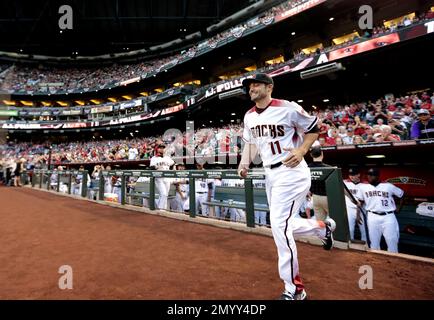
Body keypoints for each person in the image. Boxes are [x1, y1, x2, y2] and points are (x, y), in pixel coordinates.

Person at [238, 73, 335, 301]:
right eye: (249, 86)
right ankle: (321, 228)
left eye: (256, 84)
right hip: (270, 174)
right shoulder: (249, 116)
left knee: (279, 227)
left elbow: (313, 129)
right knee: (281, 224)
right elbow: (251, 143)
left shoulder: (288, 108)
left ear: (269, 87)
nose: (251, 88)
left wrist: (302, 150)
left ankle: (295, 289)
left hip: (291, 172)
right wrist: (243, 163)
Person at [356, 168, 404, 253]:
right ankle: (376, 263)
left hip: (388, 216)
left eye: (372, 175)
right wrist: (357, 214)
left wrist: (398, 208)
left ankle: (393, 262)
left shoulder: (388, 186)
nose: (369, 177)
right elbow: (360, 202)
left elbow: (401, 195)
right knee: (374, 243)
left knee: (392, 241)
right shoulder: (363, 187)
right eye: (368, 175)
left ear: (377, 176)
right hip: (372, 216)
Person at [308, 146, 332, 221]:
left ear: (311, 155)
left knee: (320, 224)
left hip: (315, 197)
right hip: (327, 197)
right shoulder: (329, 168)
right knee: (335, 221)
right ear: (322, 154)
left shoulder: (306, 168)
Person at [343, 168, 367, 242]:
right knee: (350, 229)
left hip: (362, 209)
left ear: (358, 175)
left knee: (364, 230)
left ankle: (366, 248)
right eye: (350, 175)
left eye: (353, 175)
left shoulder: (365, 184)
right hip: (349, 209)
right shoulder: (344, 182)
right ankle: (351, 248)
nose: (351, 177)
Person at [150, 144, 175, 210]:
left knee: (165, 195)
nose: (162, 149)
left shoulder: (167, 158)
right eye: (160, 148)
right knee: (163, 194)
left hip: (167, 178)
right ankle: (160, 209)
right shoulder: (154, 158)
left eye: (163, 148)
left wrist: (171, 169)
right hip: (159, 178)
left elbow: (173, 164)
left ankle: (163, 209)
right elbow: (151, 167)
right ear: (157, 149)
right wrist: (156, 167)